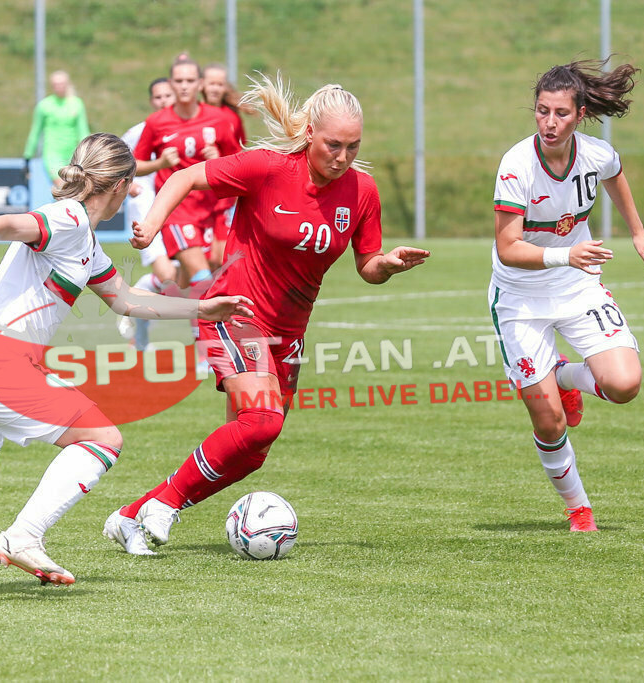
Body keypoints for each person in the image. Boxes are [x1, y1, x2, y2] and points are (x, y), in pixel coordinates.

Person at [0, 133, 252, 592]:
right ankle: (24, 536)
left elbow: (126, 300)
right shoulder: (68, 218)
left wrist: (203, 308)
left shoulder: (85, 241)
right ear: (121, 185)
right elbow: (10, 223)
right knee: (102, 439)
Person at [102, 73, 430, 555]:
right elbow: (186, 176)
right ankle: (165, 504)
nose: (342, 158)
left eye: (353, 147)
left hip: (288, 334)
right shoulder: (269, 168)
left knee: (253, 451)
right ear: (310, 135)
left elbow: (367, 266)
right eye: (333, 145)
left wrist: (388, 265)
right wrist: (152, 225)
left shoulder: (362, 192)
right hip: (234, 311)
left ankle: (131, 516)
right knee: (262, 421)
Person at [489, 59, 644, 532]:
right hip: (521, 297)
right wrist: (567, 255)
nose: (549, 122)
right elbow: (508, 249)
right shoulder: (516, 165)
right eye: (542, 111)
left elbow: (615, 173)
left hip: (576, 285)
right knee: (549, 423)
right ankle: (579, 509)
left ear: (580, 114)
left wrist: (638, 231)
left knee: (624, 385)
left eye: (561, 113)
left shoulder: (595, 153)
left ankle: (563, 376)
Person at [132, 57, 241, 291]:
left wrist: (218, 161)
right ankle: (203, 330)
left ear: (199, 84)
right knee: (202, 279)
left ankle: (149, 289)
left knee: (200, 276)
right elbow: (135, 165)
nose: (184, 86)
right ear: (171, 83)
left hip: (213, 208)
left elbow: (239, 163)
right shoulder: (156, 122)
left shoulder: (219, 119)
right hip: (177, 210)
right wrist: (159, 163)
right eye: (179, 80)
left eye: (190, 80)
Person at [118, 77, 182, 351]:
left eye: (168, 95)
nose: (164, 101)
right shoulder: (141, 131)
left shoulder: (186, 129)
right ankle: (143, 291)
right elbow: (115, 159)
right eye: (158, 97)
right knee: (169, 275)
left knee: (186, 276)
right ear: (151, 101)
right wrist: (128, 184)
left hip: (180, 209)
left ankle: (143, 296)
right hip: (145, 209)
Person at [201, 62, 251, 270]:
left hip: (222, 197)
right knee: (198, 258)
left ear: (225, 88)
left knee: (218, 257)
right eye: (211, 83)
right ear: (202, 85)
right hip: (195, 198)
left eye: (219, 84)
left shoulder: (231, 119)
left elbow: (239, 155)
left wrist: (219, 157)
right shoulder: (191, 114)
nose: (214, 88)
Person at [23, 70, 91, 191]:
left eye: (61, 83)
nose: (59, 87)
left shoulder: (76, 104)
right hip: (52, 154)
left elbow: (83, 131)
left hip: (73, 154)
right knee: (63, 188)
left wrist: (88, 153)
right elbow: (35, 132)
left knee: (75, 191)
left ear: (67, 84)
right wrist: (27, 156)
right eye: (56, 84)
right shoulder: (44, 106)